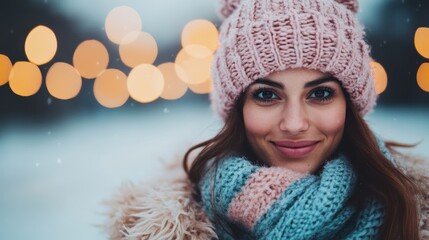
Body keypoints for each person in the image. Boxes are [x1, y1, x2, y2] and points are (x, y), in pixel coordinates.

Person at [104, 0, 429, 239]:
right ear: (238, 108)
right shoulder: (157, 229)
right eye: (266, 95)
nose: (294, 123)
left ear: (350, 104)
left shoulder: (411, 211)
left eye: (319, 94)